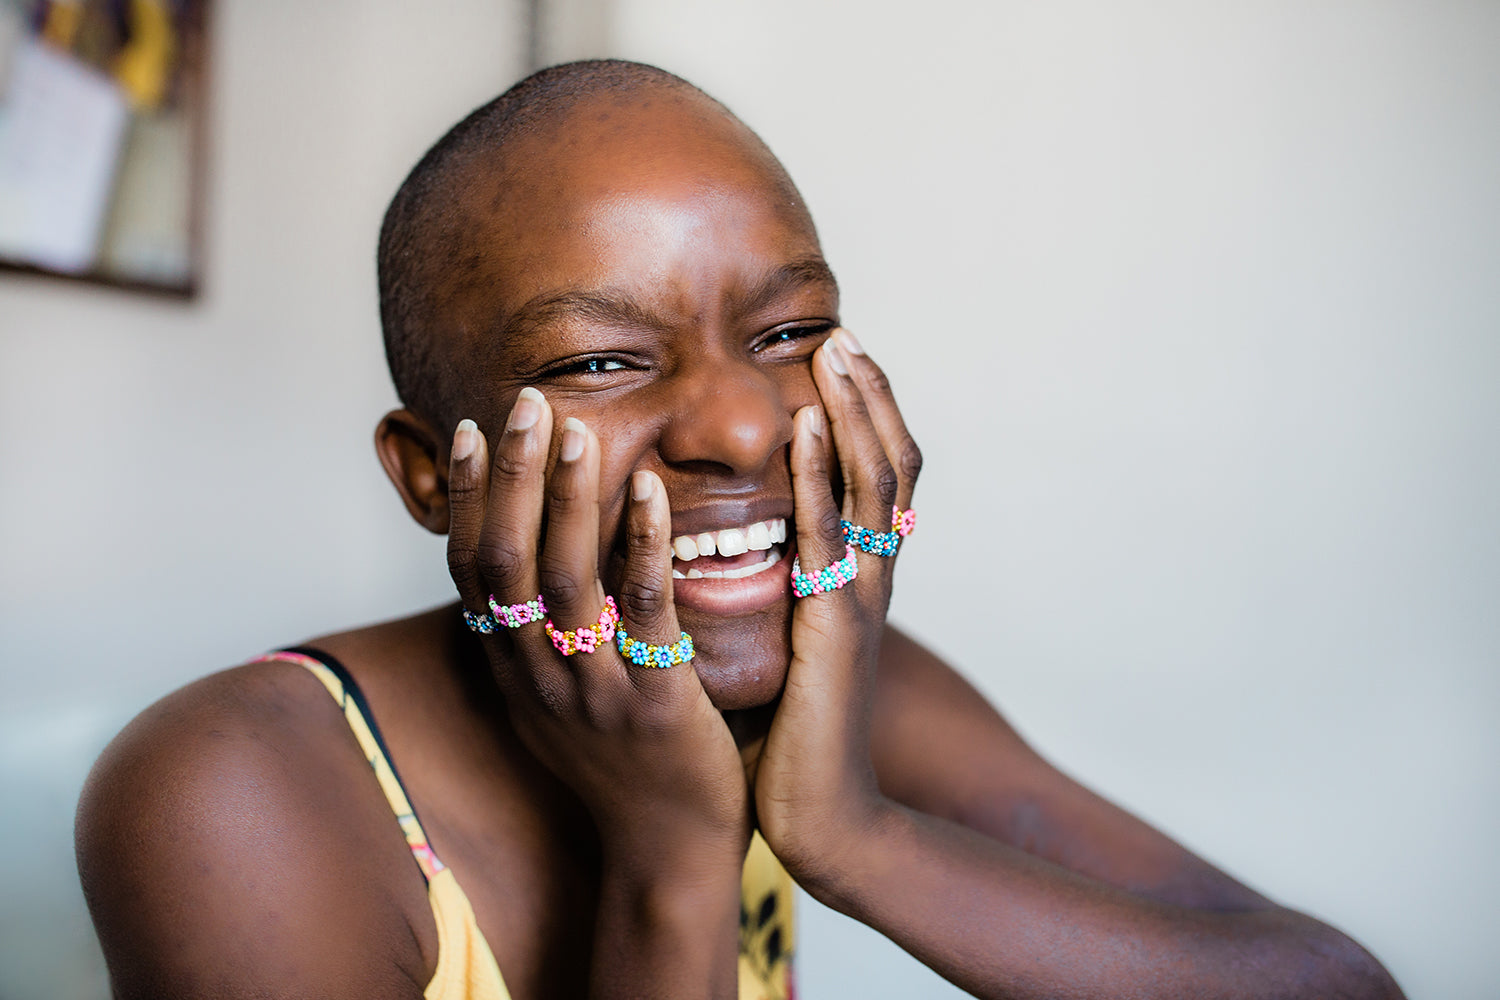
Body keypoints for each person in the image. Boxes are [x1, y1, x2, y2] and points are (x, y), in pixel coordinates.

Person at [75, 59, 1404, 1000]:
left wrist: (853, 835)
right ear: (432, 475)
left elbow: (1335, 987)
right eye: (601, 362)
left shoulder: (838, 686)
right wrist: (671, 853)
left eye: (789, 334)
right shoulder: (233, 790)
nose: (746, 426)